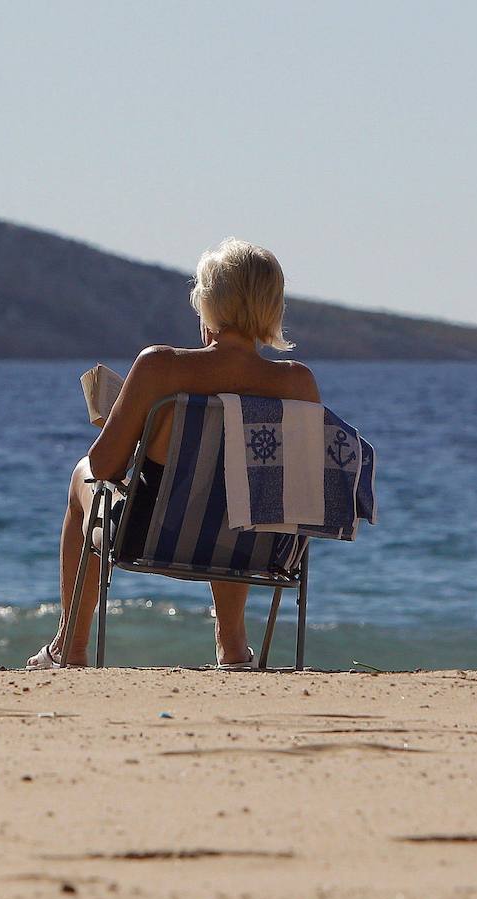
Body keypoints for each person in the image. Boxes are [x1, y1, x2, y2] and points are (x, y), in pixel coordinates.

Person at [27, 238, 320, 670]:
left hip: (151, 535)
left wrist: (124, 429)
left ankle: (69, 647)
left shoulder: (161, 367)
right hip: (258, 546)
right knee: (236, 497)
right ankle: (234, 648)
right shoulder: (298, 384)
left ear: (208, 304)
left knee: (81, 474)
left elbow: (107, 467)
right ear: (272, 307)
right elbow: (300, 484)